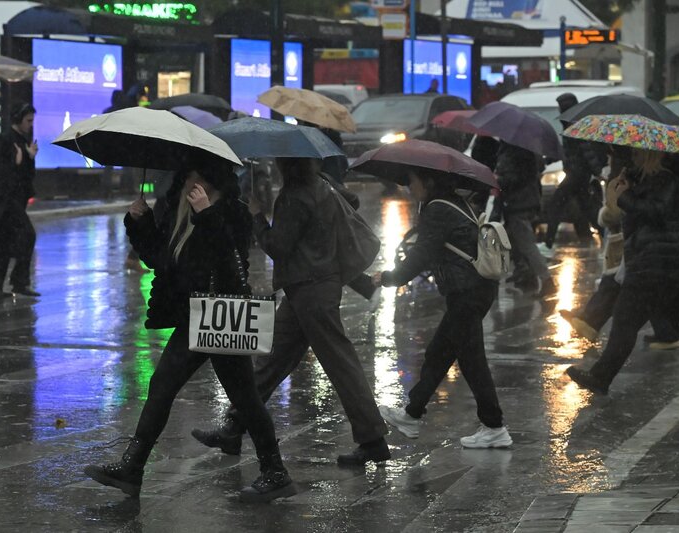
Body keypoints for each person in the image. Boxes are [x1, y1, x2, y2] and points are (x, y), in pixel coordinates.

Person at [84, 165, 296, 503]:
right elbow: (159, 259)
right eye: (187, 177)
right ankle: (132, 468)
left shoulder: (233, 212)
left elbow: (230, 261)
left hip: (222, 316)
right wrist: (141, 223)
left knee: (245, 398)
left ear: (215, 181)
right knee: (162, 386)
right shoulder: (178, 209)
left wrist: (207, 215)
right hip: (192, 316)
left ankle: (275, 471)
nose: (190, 184)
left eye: (199, 177)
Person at [191, 158, 390, 466]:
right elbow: (349, 200)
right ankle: (234, 425)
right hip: (307, 289)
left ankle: (373, 438)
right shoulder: (321, 183)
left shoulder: (294, 196)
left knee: (341, 364)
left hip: (311, 291)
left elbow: (278, 246)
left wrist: (258, 217)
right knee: (270, 363)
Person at [566, 148, 679, 398]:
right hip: (676, 264)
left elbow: (654, 212)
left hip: (655, 267)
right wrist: (627, 186)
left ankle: (600, 377)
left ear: (651, 157)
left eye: (637, 155)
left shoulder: (667, 181)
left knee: (626, 322)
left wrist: (624, 197)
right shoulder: (656, 180)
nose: (633, 158)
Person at [375, 169, 511, 448]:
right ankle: (411, 414)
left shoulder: (438, 210)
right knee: (439, 353)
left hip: (467, 293)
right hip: (472, 290)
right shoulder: (453, 203)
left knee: (472, 361)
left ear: (429, 181)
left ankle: (494, 426)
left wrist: (388, 278)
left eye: (412, 180)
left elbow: (420, 255)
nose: (409, 187)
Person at [559, 146, 679, 349]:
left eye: (635, 154)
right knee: (639, 290)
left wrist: (618, 197)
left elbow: (638, 210)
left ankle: (593, 324)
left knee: (621, 287)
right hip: (648, 246)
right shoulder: (656, 173)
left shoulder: (650, 175)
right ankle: (666, 333)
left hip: (643, 244)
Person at [0, 103, 39, 298]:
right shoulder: (3, 140)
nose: (31, 124)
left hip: (13, 200)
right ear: (18, 119)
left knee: (3, 242)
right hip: (3, 202)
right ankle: (17, 282)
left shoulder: (23, 141)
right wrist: (17, 161)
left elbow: (26, 176)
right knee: (26, 235)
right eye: (28, 120)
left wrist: (29, 157)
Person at [543, 93, 607, 248]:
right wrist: (551, 159)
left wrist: (598, 171)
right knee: (587, 206)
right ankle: (599, 235)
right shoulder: (570, 122)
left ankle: (548, 242)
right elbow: (569, 151)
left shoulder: (575, 124)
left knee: (556, 204)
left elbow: (586, 151)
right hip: (577, 172)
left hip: (577, 173)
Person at [495, 141, 555, 297]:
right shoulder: (525, 147)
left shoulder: (515, 149)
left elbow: (515, 177)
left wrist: (498, 179)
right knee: (515, 240)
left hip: (519, 202)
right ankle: (526, 273)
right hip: (524, 200)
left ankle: (546, 279)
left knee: (527, 244)